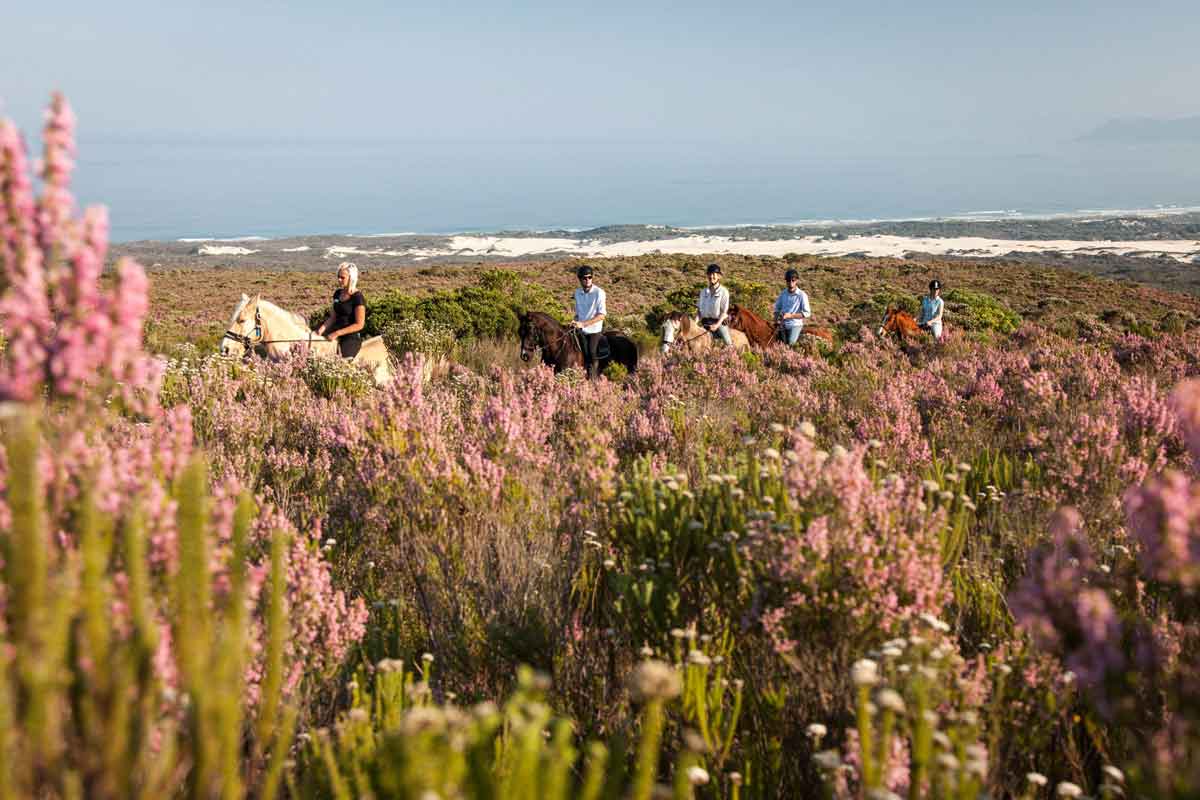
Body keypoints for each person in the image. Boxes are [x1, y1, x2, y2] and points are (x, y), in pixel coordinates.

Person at [315, 262, 366, 358]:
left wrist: (337, 333)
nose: (339, 280)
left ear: (351, 278)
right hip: (334, 330)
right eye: (338, 277)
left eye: (342, 277)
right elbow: (332, 317)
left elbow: (359, 325)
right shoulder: (337, 293)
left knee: (343, 362)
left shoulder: (358, 297)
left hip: (350, 337)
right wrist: (321, 330)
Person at [572, 264, 607, 379]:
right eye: (584, 278)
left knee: (591, 352)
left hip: (594, 329)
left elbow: (602, 315)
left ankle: (593, 377)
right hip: (580, 328)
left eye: (589, 277)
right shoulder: (577, 293)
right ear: (580, 279)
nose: (587, 280)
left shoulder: (599, 292)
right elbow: (578, 313)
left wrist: (584, 324)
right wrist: (575, 321)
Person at [773, 268, 812, 346]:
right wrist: (776, 318)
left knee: (790, 343)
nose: (790, 283)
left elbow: (807, 313)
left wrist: (791, 316)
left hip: (795, 325)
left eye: (793, 280)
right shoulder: (783, 294)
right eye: (788, 280)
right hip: (782, 324)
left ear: (796, 281)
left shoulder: (802, 295)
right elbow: (777, 308)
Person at [698, 263, 733, 346]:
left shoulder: (724, 291)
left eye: (714, 274)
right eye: (709, 274)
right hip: (705, 323)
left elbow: (724, 312)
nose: (711, 276)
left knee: (728, 344)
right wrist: (694, 324)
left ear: (719, 276)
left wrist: (716, 325)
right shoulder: (703, 292)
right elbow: (699, 311)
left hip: (719, 323)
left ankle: (732, 352)